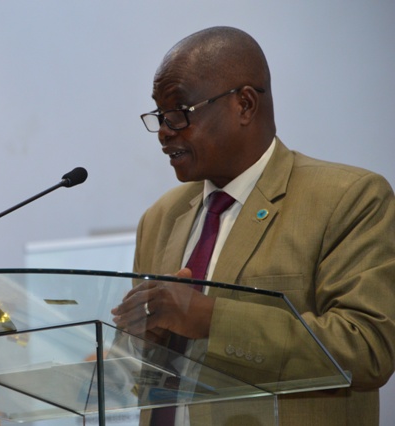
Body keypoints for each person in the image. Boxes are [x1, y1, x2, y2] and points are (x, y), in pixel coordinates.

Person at [111, 26, 395, 425]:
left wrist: (209, 318)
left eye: (178, 112)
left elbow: (368, 348)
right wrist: (141, 341)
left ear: (244, 105)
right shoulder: (160, 218)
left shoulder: (349, 198)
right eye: (159, 114)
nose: (163, 131)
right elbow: (134, 373)